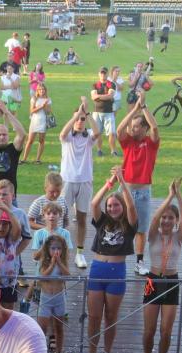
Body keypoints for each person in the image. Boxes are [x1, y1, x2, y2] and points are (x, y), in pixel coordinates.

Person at [82, 168, 137, 353]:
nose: (112, 208)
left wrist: (122, 182)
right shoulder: (102, 221)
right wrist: (109, 183)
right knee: (94, 316)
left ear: (122, 206)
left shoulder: (129, 224)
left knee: (111, 317)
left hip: (116, 271)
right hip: (97, 269)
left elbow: (131, 206)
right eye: (110, 205)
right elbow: (94, 204)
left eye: (116, 205)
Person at [142, 179, 182, 353]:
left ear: (176, 221)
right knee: (149, 330)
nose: (166, 220)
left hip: (171, 281)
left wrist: (178, 194)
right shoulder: (154, 235)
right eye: (165, 217)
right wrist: (170, 196)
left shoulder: (178, 237)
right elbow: (154, 219)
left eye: (171, 218)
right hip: (153, 280)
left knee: (166, 331)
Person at [116, 90, 160, 276]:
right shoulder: (128, 142)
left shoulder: (151, 143)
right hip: (125, 189)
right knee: (119, 226)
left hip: (142, 192)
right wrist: (134, 110)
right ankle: (117, 258)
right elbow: (119, 130)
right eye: (132, 126)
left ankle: (139, 263)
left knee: (141, 229)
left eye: (135, 127)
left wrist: (144, 107)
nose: (132, 129)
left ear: (144, 128)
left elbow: (155, 128)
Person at [60, 97, 100, 268]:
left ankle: (79, 253)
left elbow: (97, 133)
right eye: (77, 118)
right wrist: (77, 115)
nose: (79, 121)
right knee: (62, 217)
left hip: (85, 181)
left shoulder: (89, 136)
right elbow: (63, 133)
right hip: (67, 180)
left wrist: (87, 113)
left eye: (82, 119)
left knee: (82, 217)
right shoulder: (68, 136)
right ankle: (60, 250)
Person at [33, 234, 70, 353]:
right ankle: (40, 351)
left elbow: (67, 275)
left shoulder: (63, 262)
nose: (56, 251)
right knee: (41, 327)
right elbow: (43, 277)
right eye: (53, 248)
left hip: (59, 298)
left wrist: (59, 263)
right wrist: (52, 264)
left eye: (59, 248)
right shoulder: (44, 262)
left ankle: (59, 351)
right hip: (46, 298)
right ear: (48, 249)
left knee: (59, 327)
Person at [21, 83, 51, 165]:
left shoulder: (48, 99)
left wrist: (45, 106)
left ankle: (38, 159)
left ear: (45, 90)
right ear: (37, 90)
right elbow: (32, 111)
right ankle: (24, 159)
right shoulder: (34, 98)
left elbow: (48, 112)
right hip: (34, 121)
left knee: (41, 141)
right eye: (40, 89)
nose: (42, 91)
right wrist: (41, 106)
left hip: (43, 122)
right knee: (30, 140)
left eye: (43, 89)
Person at [91, 67, 117, 157]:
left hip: (109, 112)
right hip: (97, 112)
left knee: (112, 133)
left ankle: (113, 151)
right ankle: (99, 150)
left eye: (104, 73)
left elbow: (110, 96)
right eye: (101, 73)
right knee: (98, 133)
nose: (103, 75)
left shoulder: (111, 84)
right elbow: (93, 97)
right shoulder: (95, 85)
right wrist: (105, 96)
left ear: (107, 74)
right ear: (99, 74)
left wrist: (98, 96)